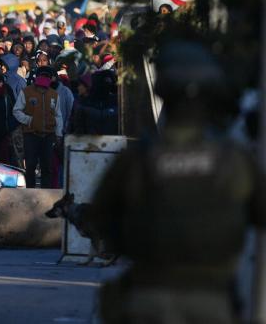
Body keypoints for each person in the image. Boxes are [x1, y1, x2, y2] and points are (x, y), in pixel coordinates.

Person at [90, 40, 266, 324]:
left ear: (163, 92)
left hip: (148, 297)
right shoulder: (233, 160)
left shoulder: (139, 159)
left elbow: (99, 218)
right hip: (213, 301)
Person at [13, 67, 63, 188]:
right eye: (42, 76)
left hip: (48, 135)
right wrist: (29, 120)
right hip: (31, 134)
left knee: (47, 167)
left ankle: (45, 193)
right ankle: (30, 190)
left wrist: (58, 134)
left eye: (46, 76)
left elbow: (58, 116)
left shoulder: (54, 94)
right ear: (36, 77)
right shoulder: (26, 92)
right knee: (30, 166)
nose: (44, 79)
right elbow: (16, 111)